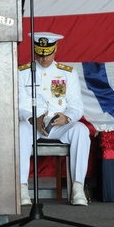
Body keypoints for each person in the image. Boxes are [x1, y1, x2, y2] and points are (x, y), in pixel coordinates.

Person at [18, 32, 90, 206]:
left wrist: (67, 117)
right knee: (20, 130)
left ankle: (78, 187)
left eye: (48, 53)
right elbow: (18, 104)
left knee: (81, 130)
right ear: (35, 50)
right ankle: (21, 188)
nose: (44, 58)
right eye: (40, 53)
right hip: (32, 123)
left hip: (58, 123)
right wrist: (32, 118)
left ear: (56, 48)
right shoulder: (22, 72)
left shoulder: (67, 73)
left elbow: (77, 106)